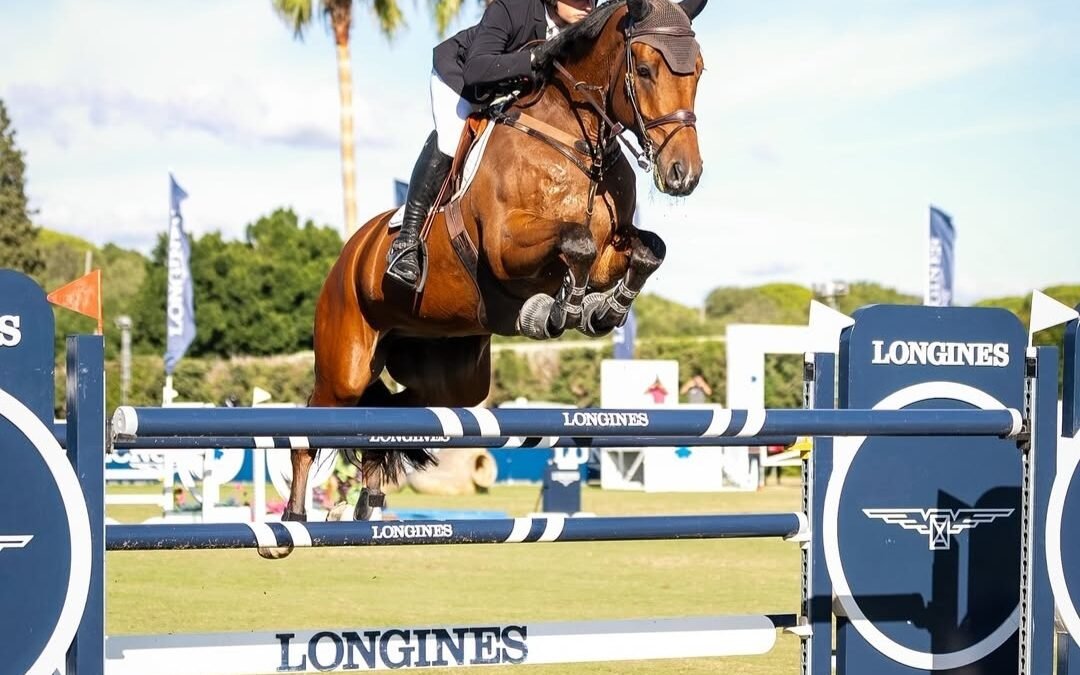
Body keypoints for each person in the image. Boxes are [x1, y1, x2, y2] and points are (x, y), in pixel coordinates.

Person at [386, 0, 596, 289]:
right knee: (451, 137)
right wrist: (534, 58)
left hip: (511, 91)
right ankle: (407, 242)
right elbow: (477, 69)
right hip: (463, 79)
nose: (588, 5)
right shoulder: (511, 7)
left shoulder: (585, 25)